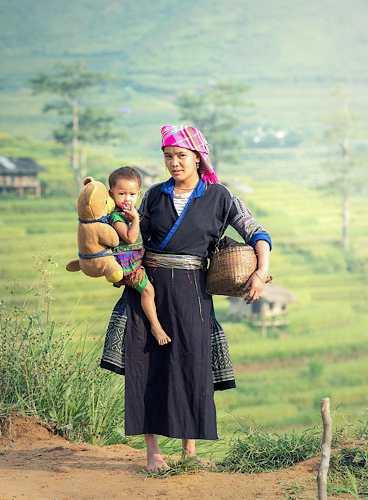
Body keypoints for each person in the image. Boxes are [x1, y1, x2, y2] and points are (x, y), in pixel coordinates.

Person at [111, 125, 272, 472]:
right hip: (149, 287)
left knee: (193, 364)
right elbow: (133, 237)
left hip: (193, 292)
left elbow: (256, 231)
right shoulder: (153, 195)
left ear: (198, 158)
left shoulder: (220, 197)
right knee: (146, 365)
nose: (174, 163)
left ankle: (189, 451)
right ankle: (153, 453)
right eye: (168, 156)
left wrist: (261, 271)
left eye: (181, 156)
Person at [107, 166, 170, 345]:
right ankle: (155, 326)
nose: (127, 199)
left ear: (139, 194)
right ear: (112, 194)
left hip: (135, 261)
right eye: (121, 194)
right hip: (128, 265)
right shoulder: (117, 217)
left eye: (132, 194)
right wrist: (135, 218)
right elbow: (130, 237)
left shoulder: (129, 214)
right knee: (148, 291)